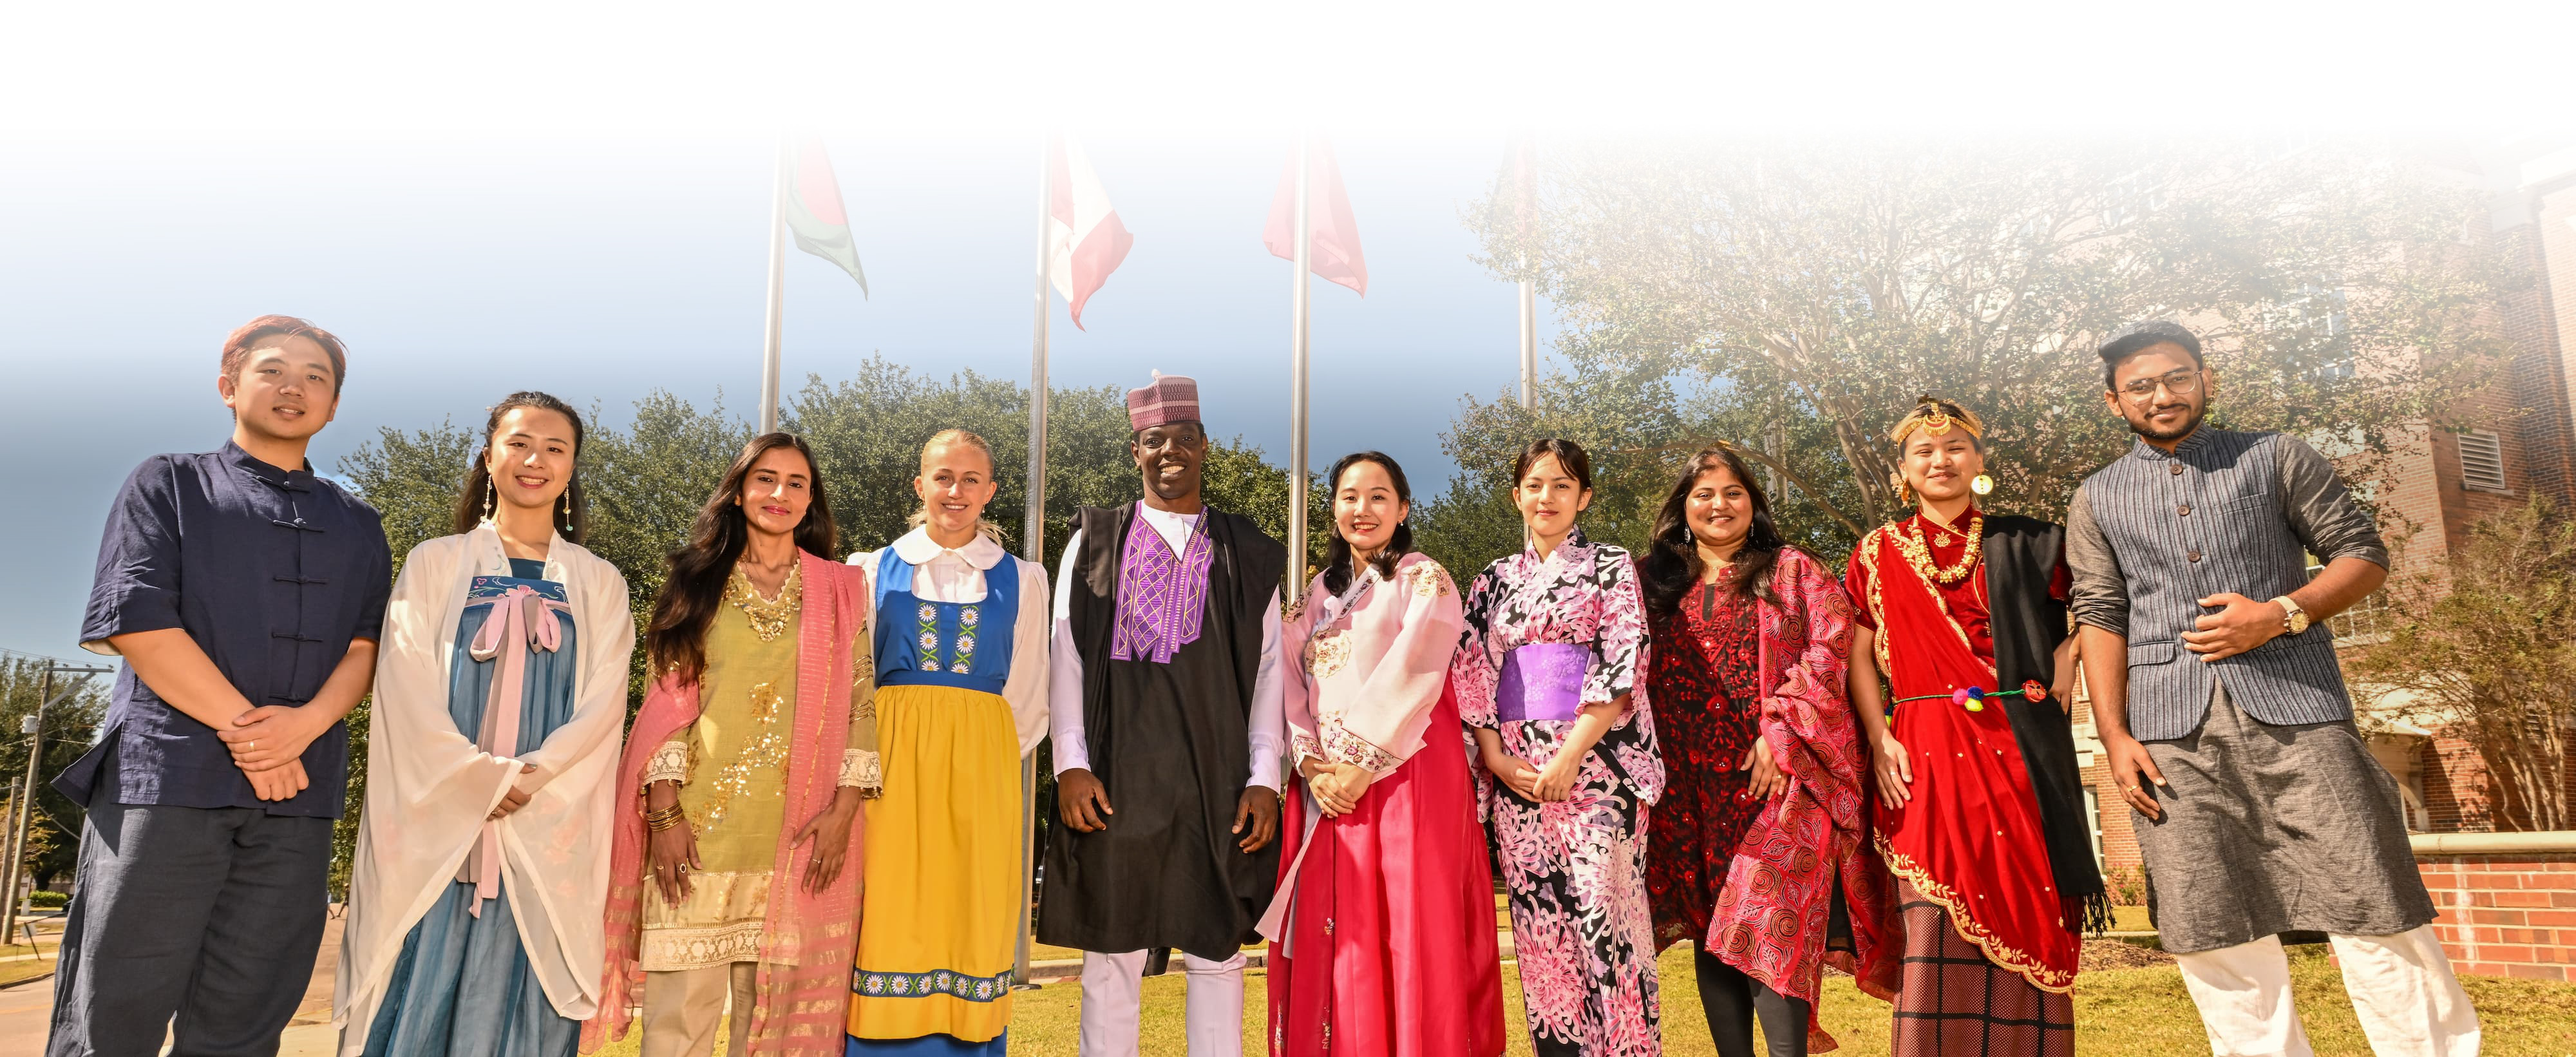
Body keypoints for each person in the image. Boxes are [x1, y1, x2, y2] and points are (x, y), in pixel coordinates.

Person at [2072, 320, 2479, 1056]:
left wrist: (2281, 614)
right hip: (2168, 734)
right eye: (2140, 386)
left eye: (2176, 378)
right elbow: (2100, 615)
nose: (2160, 395)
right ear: (2113, 402)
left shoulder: (2276, 456)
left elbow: (2362, 554)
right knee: (2208, 921)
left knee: (2371, 895)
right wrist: (2115, 736)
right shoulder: (2096, 497)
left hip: (2299, 706)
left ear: (2205, 381)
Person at [50, 316, 391, 1057]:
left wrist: (299, 733)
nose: (293, 387)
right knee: (116, 1007)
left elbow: (367, 644)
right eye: (272, 369)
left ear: (333, 406)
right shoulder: (168, 482)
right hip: (167, 780)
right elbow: (136, 622)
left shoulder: (360, 522)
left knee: (248, 1015)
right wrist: (257, 737)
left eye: (316, 377)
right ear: (228, 384)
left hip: (298, 795)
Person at [336, 393, 633, 1057]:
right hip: (441, 812)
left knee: (523, 981)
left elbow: (604, 700)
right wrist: (477, 779)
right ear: (489, 452)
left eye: (556, 449)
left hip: (542, 815)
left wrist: (533, 776)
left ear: (572, 466)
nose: (536, 460)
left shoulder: (597, 581)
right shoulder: (436, 563)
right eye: (521, 442)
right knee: (419, 968)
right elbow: (405, 685)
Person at [585, 433, 876, 1057]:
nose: (780, 493)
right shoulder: (696, 580)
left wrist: (845, 812)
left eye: (797, 483)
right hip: (700, 836)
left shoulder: (841, 589)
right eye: (766, 478)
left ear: (811, 501)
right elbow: (665, 703)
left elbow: (860, 702)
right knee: (676, 1027)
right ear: (739, 490)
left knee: (773, 1029)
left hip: (800, 838)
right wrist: (663, 816)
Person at [1842, 397, 2103, 1057]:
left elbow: (2101, 610)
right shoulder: (1874, 553)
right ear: (1900, 470)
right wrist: (1878, 740)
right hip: (1922, 749)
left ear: (1979, 460)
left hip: (2022, 750)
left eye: (1956, 446)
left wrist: (2066, 664)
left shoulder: (2033, 541)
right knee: (1931, 917)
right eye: (1923, 451)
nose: (1940, 460)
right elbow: (1857, 655)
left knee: (2031, 899)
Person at [1036, 372, 1287, 1057]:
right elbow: (1067, 660)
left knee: (1217, 949)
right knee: (1110, 951)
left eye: (1183, 438)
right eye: (1154, 441)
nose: (1168, 451)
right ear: (1134, 452)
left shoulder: (1250, 552)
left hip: (1217, 776)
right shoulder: (1091, 542)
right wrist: (1071, 765)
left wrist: (1265, 776)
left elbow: (1270, 671)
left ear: (1205, 446)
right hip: (1117, 774)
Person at [1636, 446, 1899, 1057]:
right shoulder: (1653, 579)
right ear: (1682, 507)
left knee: (1767, 924)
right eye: (1703, 493)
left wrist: (1778, 731)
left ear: (1753, 503)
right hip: (1687, 788)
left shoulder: (1792, 570)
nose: (1718, 504)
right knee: (1713, 931)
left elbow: (1831, 648)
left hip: (1778, 780)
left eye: (1733, 492)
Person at [1261, 452, 1505, 1057]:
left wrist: (1361, 763)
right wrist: (1314, 766)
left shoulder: (1423, 578)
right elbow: (1288, 683)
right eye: (1349, 496)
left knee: (1408, 920)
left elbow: (1417, 669)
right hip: (1328, 790)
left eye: (1378, 496)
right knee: (1340, 930)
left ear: (1401, 508)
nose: (1362, 509)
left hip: (1406, 777)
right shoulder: (1316, 595)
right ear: (1334, 508)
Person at [1452, 437, 1663, 1057]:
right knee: (1542, 940)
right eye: (1536, 485)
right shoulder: (1492, 580)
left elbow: (1625, 655)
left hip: (1596, 771)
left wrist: (1571, 753)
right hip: (1519, 778)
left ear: (1585, 498)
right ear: (1517, 495)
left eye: (1563, 485)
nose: (1548, 497)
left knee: (1607, 928)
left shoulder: (1609, 565)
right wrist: (1493, 756)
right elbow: (1472, 669)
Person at [842, 429, 1050, 1055]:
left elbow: (1027, 693)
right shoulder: (868, 570)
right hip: (890, 766)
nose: (954, 491)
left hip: (983, 768)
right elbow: (852, 685)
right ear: (920, 485)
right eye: (942, 477)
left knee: (972, 914)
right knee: (887, 908)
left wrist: (974, 754)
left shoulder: (1025, 578)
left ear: (989, 491)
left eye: (968, 479)